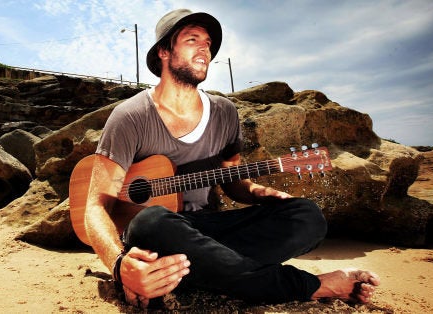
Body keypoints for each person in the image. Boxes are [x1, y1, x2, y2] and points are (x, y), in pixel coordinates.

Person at [83, 8, 380, 308]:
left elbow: (235, 182)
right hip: (160, 235)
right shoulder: (130, 117)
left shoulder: (225, 112)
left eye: (208, 42)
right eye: (192, 39)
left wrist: (260, 193)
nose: (205, 48)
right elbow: (95, 206)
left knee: (307, 216)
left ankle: (191, 274)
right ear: (163, 51)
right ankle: (313, 285)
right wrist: (120, 266)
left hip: (209, 230)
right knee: (150, 222)